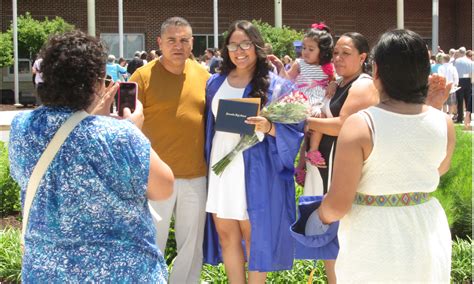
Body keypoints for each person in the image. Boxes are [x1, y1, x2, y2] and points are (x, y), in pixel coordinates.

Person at [8, 30, 174, 282]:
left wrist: (94, 119)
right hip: (122, 272)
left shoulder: (22, 128)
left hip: (47, 272)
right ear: (96, 83)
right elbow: (163, 187)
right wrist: (131, 129)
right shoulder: (120, 136)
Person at [316, 29, 455, 282]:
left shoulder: (361, 124)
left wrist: (317, 215)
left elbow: (337, 205)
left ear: (376, 70)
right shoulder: (444, 121)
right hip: (426, 231)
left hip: (375, 239)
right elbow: (438, 169)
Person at [203, 20, 304, 283]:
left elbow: (294, 129)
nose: (239, 50)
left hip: (255, 167)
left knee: (254, 235)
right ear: (226, 49)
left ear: (256, 46)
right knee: (226, 233)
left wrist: (270, 126)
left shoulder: (277, 86)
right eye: (233, 45)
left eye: (245, 44)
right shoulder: (215, 83)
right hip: (221, 163)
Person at [129, 17, 210, 283]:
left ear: (192, 43)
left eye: (184, 40)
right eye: (172, 40)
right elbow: (123, 125)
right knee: (151, 243)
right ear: (160, 43)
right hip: (153, 177)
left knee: (192, 247)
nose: (178, 45)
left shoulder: (205, 77)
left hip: (195, 175)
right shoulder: (140, 77)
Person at [303, 32, 378, 283]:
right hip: (323, 165)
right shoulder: (340, 83)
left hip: (340, 168)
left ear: (363, 56)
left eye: (346, 53)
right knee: (329, 240)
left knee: (342, 237)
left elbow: (344, 125)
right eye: (335, 52)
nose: (338, 58)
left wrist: (304, 122)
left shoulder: (363, 85)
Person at [270, 22, 335, 169]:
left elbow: (335, 81)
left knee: (320, 118)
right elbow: (287, 80)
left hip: (318, 102)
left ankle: (312, 151)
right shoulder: (299, 63)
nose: (305, 52)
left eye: (311, 49)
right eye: (304, 48)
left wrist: (333, 84)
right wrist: (281, 66)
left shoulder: (328, 67)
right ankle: (297, 163)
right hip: (300, 100)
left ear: (323, 51)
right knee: (301, 131)